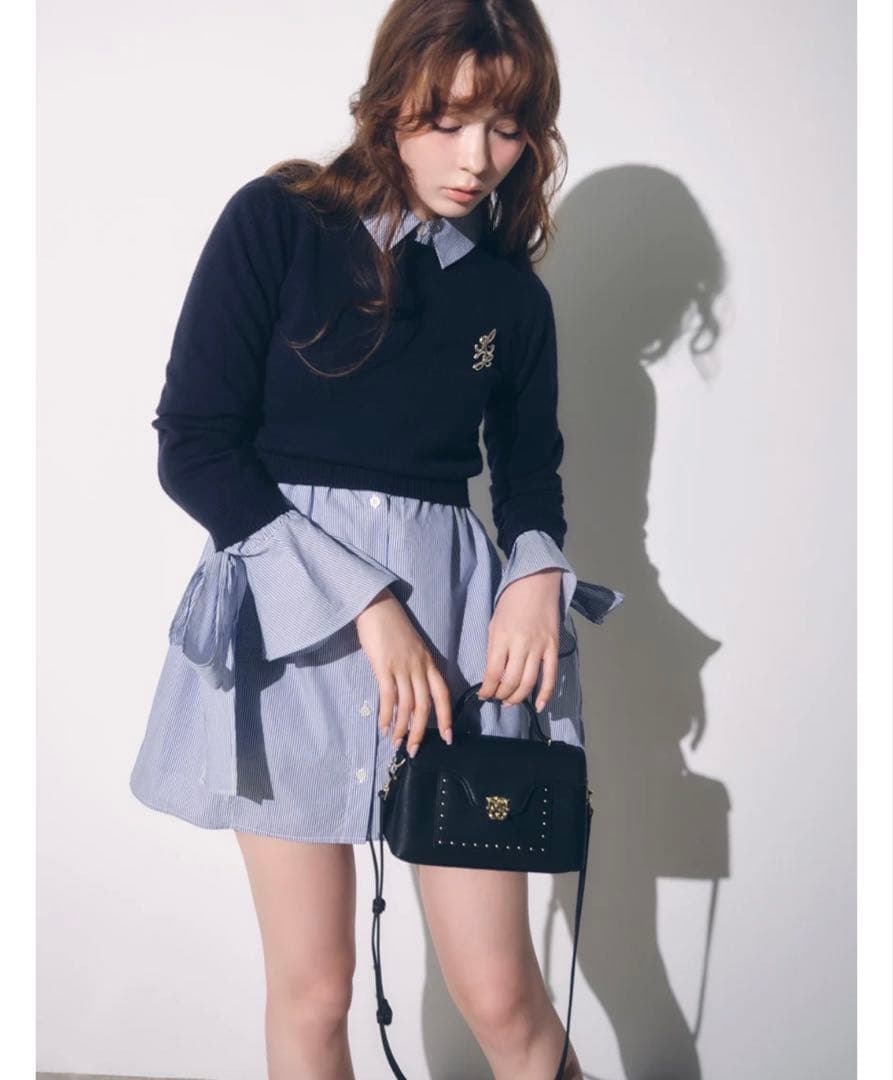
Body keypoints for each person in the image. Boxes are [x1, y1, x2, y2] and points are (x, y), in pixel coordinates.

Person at [129, 1, 624, 1076]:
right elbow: (194, 446)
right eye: (447, 121)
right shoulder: (276, 222)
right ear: (391, 96)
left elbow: (527, 478)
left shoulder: (510, 299)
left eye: (506, 128)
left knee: (502, 996)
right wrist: (364, 601)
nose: (476, 159)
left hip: (452, 640)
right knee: (314, 992)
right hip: (290, 632)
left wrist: (534, 577)